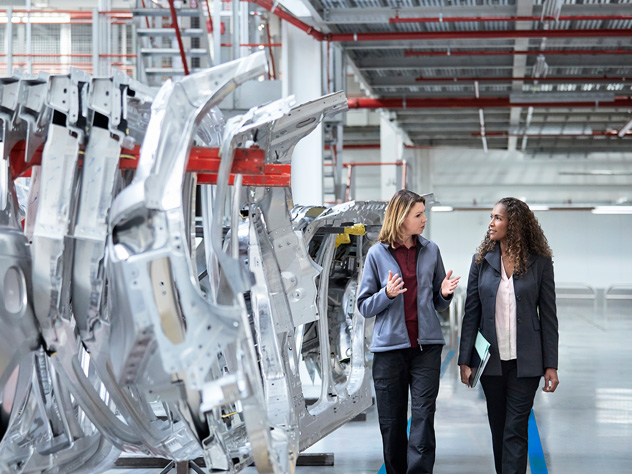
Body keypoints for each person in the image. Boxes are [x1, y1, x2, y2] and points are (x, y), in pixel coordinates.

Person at [357, 189, 460, 474]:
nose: (424, 219)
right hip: (389, 351)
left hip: (426, 348)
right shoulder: (377, 254)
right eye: (418, 215)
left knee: (424, 418)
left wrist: (444, 293)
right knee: (391, 423)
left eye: (423, 213)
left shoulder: (431, 250)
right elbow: (364, 306)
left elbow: (439, 304)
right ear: (401, 218)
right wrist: (386, 295)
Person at [458, 197, 560, 474]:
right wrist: (464, 360)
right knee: (499, 427)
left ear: (513, 224)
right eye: (491, 217)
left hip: (526, 362)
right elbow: (471, 313)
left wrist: (551, 364)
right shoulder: (480, 261)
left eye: (498, 218)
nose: (491, 224)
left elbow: (549, 317)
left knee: (515, 429)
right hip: (491, 362)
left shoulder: (540, 263)